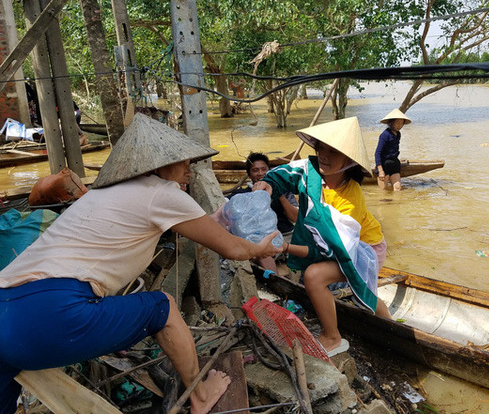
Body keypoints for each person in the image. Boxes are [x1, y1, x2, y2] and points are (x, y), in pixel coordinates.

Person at [0, 114, 281, 414]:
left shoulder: (103, 194)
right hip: (56, 311)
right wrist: (259, 248)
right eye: (182, 162)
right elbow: (234, 248)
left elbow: (202, 226)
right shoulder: (162, 192)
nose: (189, 170)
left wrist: (224, 217)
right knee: (163, 307)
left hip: (7, 306)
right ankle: (199, 397)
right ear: (158, 166)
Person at [253, 116, 391, 356]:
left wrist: (285, 248)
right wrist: (268, 183)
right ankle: (384, 321)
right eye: (320, 148)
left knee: (318, 277)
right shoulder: (311, 171)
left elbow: (334, 248)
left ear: (348, 160)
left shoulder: (351, 198)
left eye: (333, 150)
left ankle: (334, 336)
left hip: (363, 248)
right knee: (351, 288)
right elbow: (287, 173)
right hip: (340, 244)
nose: (324, 155)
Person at [227, 152, 298, 273]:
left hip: (286, 236)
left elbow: (295, 218)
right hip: (260, 240)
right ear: (249, 174)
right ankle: (274, 280)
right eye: (255, 170)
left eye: (263, 169)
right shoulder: (241, 195)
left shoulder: (284, 191)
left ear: (269, 171)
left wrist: (278, 194)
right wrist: (256, 196)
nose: (260, 174)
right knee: (259, 249)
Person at [374, 108, 411, 191]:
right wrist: (380, 171)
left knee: (398, 189)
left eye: (401, 123)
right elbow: (377, 153)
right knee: (384, 191)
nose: (400, 126)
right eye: (397, 123)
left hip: (394, 164)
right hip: (384, 165)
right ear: (391, 123)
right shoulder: (385, 135)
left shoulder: (398, 134)